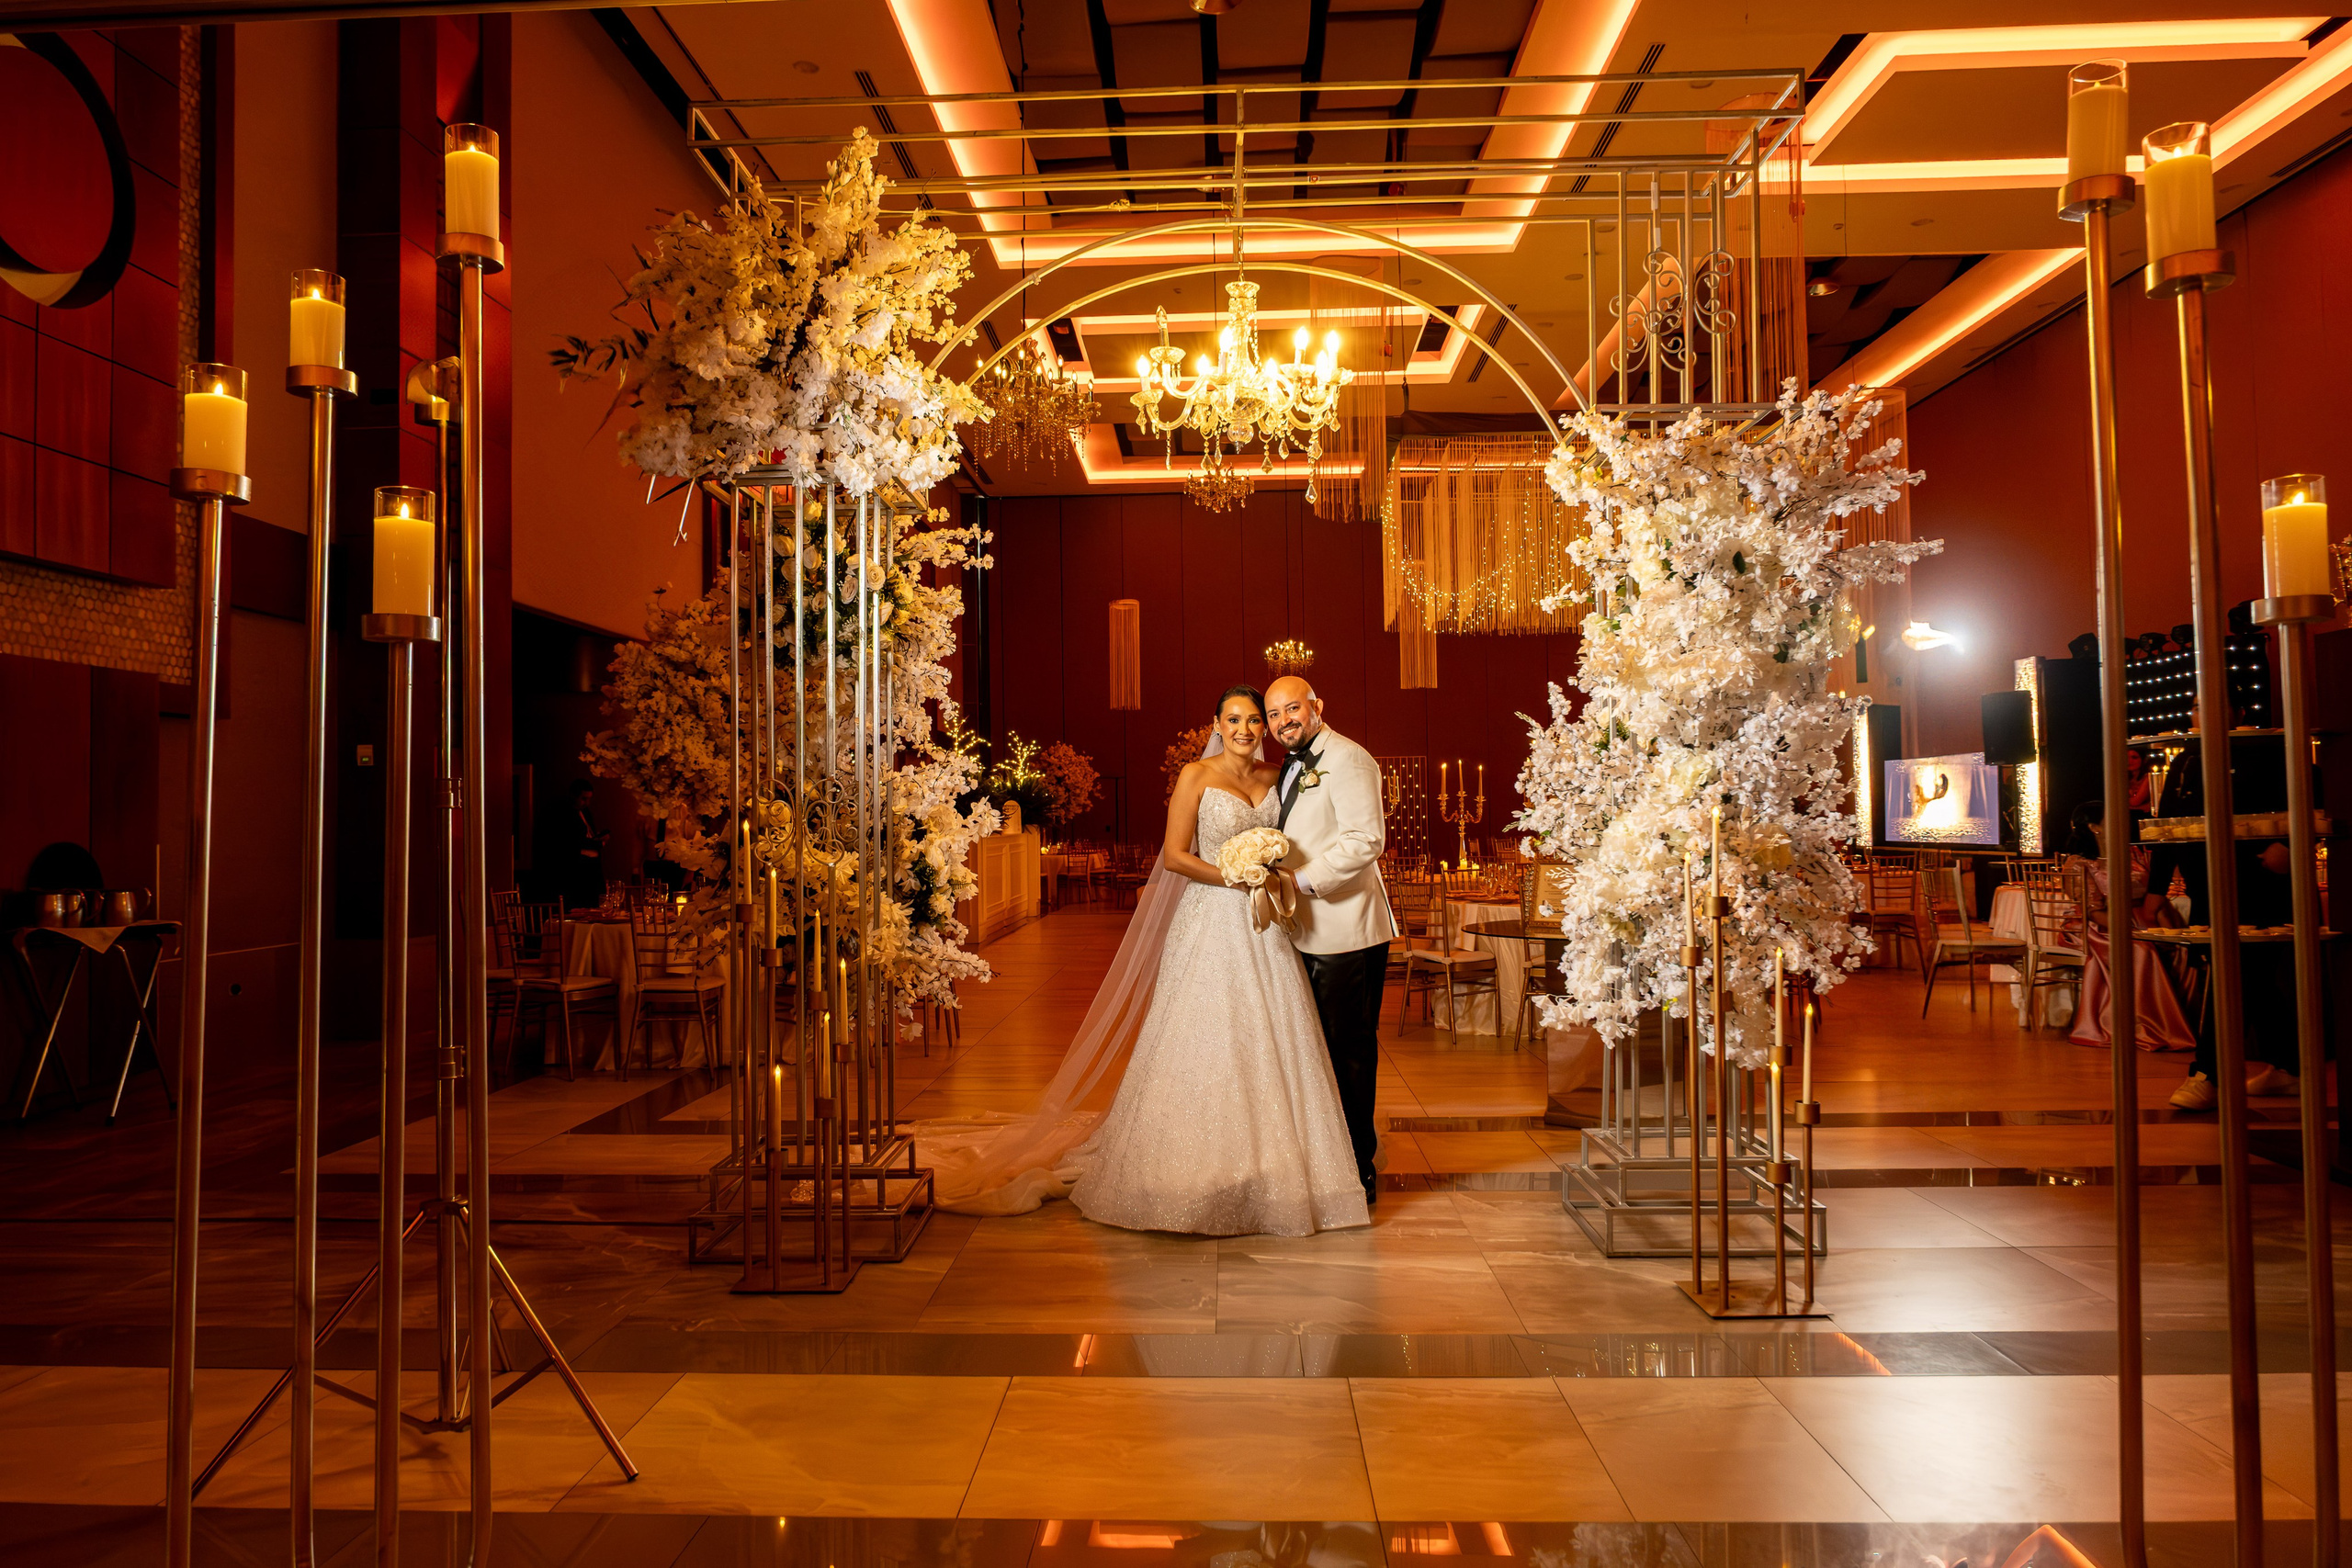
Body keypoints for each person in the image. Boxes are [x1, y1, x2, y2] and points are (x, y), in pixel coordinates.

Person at [919, 688, 1369, 1236]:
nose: (1249, 729)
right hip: (1210, 919)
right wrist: (1235, 874)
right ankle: (1190, 1167)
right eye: (1236, 719)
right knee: (1204, 1036)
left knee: (1272, 1037)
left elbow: (1303, 839)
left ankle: (1272, 1166)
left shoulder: (1279, 778)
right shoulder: (1196, 777)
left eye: (1258, 719)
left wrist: (1270, 875)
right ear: (1217, 723)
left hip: (1265, 923)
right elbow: (1175, 856)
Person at [1263, 674, 1399, 1209]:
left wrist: (1296, 881)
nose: (1282, 721)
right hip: (1306, 930)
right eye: (1274, 714)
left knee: (1349, 1054)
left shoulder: (1348, 758)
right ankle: (1327, 1157)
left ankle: (1358, 1169)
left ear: (1317, 706)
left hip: (1347, 931)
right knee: (1315, 1052)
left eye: (1292, 708)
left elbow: (1367, 840)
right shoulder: (1291, 767)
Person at [2059, 799, 2194, 1052]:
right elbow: (2093, 912)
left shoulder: (2130, 852)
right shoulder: (2079, 863)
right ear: (2094, 827)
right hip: (2101, 925)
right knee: (2142, 951)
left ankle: (2188, 1019)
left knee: (2188, 946)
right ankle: (2149, 1027)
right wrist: (2130, 929)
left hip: (2142, 917)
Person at [560, 779, 610, 911]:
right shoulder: (564, 814)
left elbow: (587, 834)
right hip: (578, 867)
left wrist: (597, 839)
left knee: (596, 903)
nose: (587, 803)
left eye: (588, 799)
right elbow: (573, 840)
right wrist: (599, 843)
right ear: (573, 796)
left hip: (593, 866)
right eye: (583, 799)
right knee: (581, 905)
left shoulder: (585, 812)